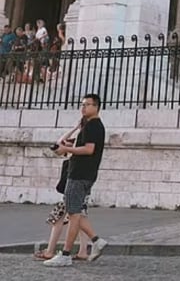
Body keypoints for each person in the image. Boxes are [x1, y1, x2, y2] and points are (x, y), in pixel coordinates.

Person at [44, 94, 108, 267]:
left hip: (79, 174)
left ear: (96, 107)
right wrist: (71, 138)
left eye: (87, 105)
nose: (83, 107)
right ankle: (96, 240)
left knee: (73, 215)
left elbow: (89, 149)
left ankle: (65, 254)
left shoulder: (93, 126)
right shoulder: (90, 126)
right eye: (82, 104)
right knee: (76, 212)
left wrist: (67, 148)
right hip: (85, 174)